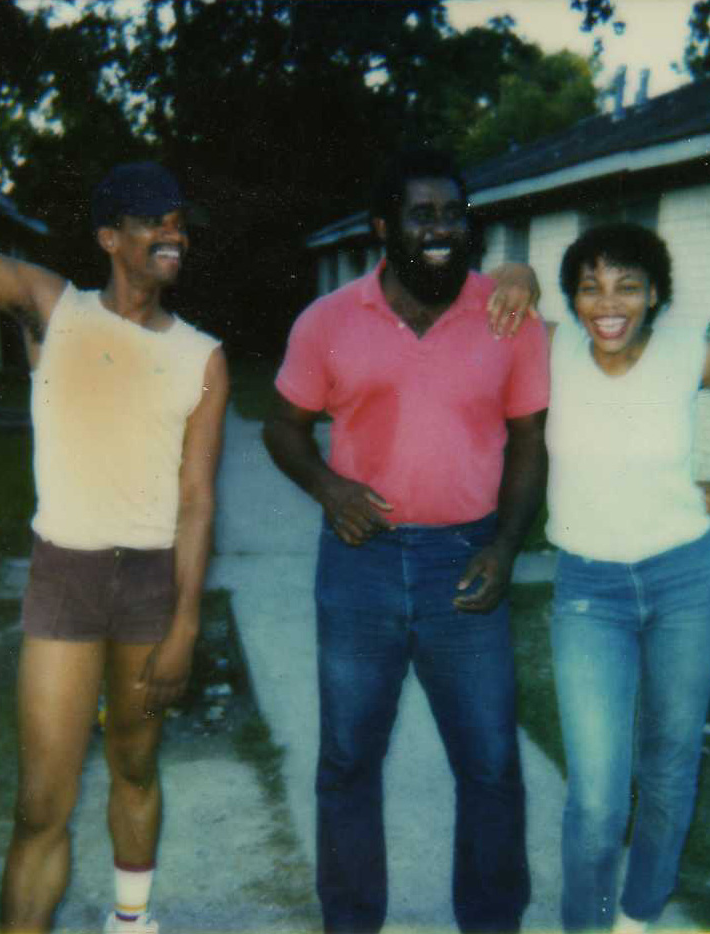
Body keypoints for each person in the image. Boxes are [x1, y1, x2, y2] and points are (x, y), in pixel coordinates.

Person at [0, 39, 228, 934]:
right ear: (109, 238)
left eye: (180, 223)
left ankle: (133, 924)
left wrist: (184, 622)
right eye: (154, 222)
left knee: (135, 767)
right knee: (39, 802)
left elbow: (199, 498)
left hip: (149, 583)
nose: (175, 234)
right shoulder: (52, 308)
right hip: (64, 574)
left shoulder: (200, 357)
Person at [263, 146, 548, 934]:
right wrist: (328, 487)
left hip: (468, 563)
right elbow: (281, 427)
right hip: (362, 566)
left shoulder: (506, 315)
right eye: (420, 214)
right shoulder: (328, 321)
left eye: (453, 213)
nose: (440, 229)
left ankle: (492, 924)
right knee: (349, 762)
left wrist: (508, 545)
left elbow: (529, 441)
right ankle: (351, 924)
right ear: (382, 226)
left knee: (490, 766)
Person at [530, 222, 710, 932]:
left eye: (626, 285)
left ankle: (639, 916)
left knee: (671, 765)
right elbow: (509, 294)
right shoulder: (553, 347)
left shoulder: (689, 353)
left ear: (654, 294)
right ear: (574, 299)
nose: (606, 303)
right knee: (597, 797)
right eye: (589, 287)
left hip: (687, 585)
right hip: (590, 593)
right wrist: (514, 280)